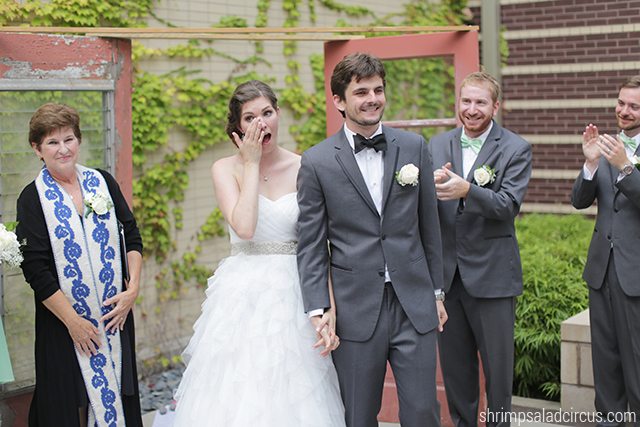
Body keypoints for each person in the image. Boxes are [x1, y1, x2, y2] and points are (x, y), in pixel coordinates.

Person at [172, 80, 345, 426]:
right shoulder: (224, 169)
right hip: (242, 295)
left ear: (278, 114)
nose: (260, 124)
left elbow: (317, 244)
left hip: (296, 291)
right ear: (237, 127)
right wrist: (250, 165)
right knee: (239, 390)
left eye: (267, 113)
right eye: (249, 118)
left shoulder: (304, 166)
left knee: (296, 391)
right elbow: (245, 228)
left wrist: (329, 307)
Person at [297, 52, 447, 427]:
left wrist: (437, 293)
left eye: (378, 90)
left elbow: (430, 225)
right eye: (361, 91)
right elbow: (312, 244)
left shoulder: (413, 146)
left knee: (422, 412)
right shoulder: (317, 162)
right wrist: (318, 308)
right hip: (354, 309)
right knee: (359, 415)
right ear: (339, 101)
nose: (372, 98)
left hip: (413, 302)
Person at [16, 103, 143, 427]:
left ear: (79, 140)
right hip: (63, 326)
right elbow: (35, 270)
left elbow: (131, 234)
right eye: (52, 143)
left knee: (119, 396)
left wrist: (132, 291)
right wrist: (73, 322)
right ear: (37, 149)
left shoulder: (103, 183)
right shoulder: (32, 199)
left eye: (69, 139)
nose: (63, 149)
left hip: (115, 318)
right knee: (69, 406)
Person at [428, 71, 532, 427]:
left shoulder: (516, 148)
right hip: (448, 278)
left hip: (493, 278)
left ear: (496, 106)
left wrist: (468, 190)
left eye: (480, 102)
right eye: (466, 101)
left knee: (498, 373)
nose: (471, 110)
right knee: (456, 373)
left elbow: (507, 206)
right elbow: (425, 210)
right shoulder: (436, 145)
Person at [571, 75, 640, 426]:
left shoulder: (622, 155)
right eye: (621, 103)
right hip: (601, 271)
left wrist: (626, 167)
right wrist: (591, 163)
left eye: (633, 106)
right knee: (606, 360)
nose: (624, 111)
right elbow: (579, 202)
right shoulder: (606, 145)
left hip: (637, 274)